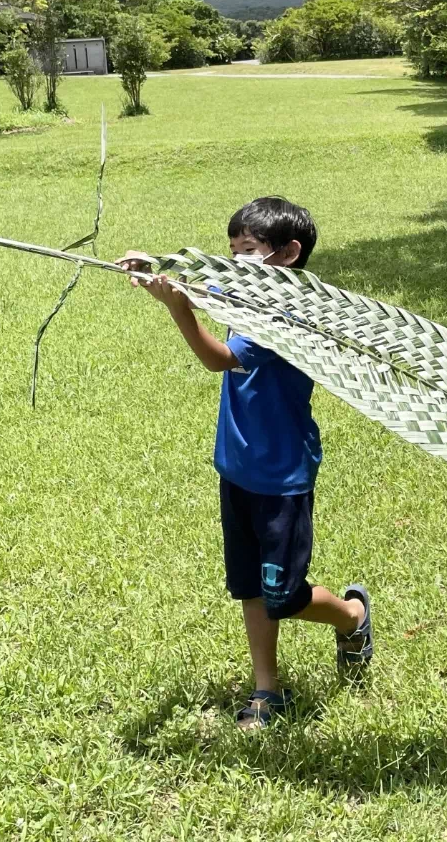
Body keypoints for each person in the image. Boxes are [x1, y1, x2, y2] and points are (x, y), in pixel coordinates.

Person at [119, 196, 373, 729]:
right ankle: (267, 689)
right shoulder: (247, 294)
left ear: (287, 253)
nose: (235, 261)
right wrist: (156, 271)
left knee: (282, 594)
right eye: (232, 250)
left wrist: (178, 308)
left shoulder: (287, 315)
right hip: (236, 468)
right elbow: (205, 281)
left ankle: (351, 616)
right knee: (252, 587)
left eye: (248, 250)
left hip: (281, 477)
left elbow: (220, 360)